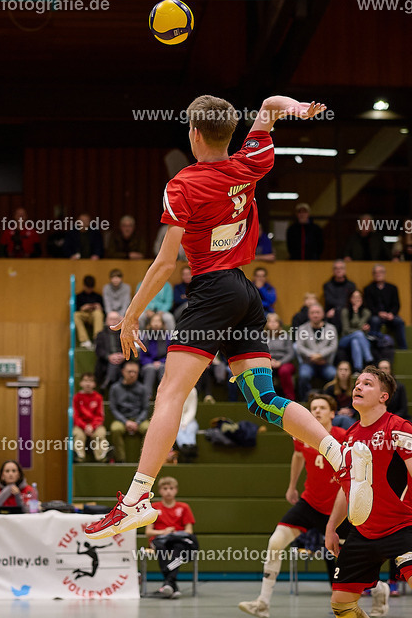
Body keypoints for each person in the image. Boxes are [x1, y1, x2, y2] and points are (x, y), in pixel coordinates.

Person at [84, 94, 348, 541]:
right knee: (263, 399)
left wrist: (131, 316)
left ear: (194, 134)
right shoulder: (250, 162)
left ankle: (136, 500)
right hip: (245, 293)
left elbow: (166, 263)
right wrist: (299, 108)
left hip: (212, 290)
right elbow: (269, 106)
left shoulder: (183, 184)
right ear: (227, 133)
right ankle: (337, 451)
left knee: (170, 393)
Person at [324, 367, 412, 618]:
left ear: (383, 396)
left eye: (367, 383)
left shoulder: (399, 428)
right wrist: (331, 527)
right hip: (363, 532)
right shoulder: (350, 436)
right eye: (357, 383)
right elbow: (347, 487)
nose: (358, 387)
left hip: (402, 526)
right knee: (342, 607)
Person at [239, 394, 347, 618]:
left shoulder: (343, 437)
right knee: (275, 542)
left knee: (353, 559)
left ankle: (380, 590)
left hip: (338, 509)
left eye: (322, 408)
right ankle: (263, 603)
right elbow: (298, 456)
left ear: (332, 413)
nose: (317, 411)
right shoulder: (302, 433)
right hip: (310, 503)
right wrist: (291, 486)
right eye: (313, 407)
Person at [145, 477, 199, 598]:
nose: (168, 491)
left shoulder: (184, 507)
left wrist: (174, 533)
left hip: (177, 540)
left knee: (179, 549)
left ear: (176, 490)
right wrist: (164, 532)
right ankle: (172, 584)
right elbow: (148, 532)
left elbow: (189, 531)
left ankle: (168, 584)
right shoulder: (153, 507)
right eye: (165, 488)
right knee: (161, 549)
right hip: (159, 540)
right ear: (160, 490)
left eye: (171, 488)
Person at [108, 361, 151, 463]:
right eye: (129, 371)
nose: (132, 374)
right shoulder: (115, 388)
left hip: (139, 419)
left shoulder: (142, 389)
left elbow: (145, 409)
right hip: (122, 419)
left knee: (149, 429)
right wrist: (125, 422)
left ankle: (145, 461)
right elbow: (113, 408)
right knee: (115, 429)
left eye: (135, 372)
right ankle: (120, 460)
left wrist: (138, 422)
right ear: (123, 371)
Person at [294, 304, 339, 399]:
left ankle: (330, 400)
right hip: (308, 363)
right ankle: (305, 401)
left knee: (334, 375)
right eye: (312, 313)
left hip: (325, 363)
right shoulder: (302, 328)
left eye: (318, 312)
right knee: (304, 375)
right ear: (308, 315)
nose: (315, 315)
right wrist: (313, 356)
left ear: (323, 314)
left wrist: (320, 355)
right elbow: (300, 346)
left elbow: (333, 346)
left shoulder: (331, 328)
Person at [363, 264, 406, 349]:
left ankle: (403, 348)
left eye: (380, 272)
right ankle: (374, 349)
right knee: (374, 320)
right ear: (373, 275)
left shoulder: (392, 288)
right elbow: (368, 306)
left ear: (384, 273)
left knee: (399, 321)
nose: (378, 274)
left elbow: (396, 304)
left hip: (390, 315)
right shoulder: (368, 289)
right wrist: (379, 313)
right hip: (376, 315)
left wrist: (391, 313)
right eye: (375, 272)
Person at [73, 373, 108, 463]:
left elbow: (99, 416)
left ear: (94, 384)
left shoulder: (98, 397)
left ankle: (101, 457)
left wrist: (92, 426)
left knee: (100, 434)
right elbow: (76, 416)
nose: (88, 384)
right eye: (85, 381)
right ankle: (79, 456)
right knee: (78, 434)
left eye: (90, 381)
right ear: (81, 383)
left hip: (95, 425)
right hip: (81, 425)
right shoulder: (77, 397)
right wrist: (85, 426)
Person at [339, 290, 374, 372]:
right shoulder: (345, 311)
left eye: (358, 297)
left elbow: (360, 325)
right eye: (354, 297)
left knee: (355, 342)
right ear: (350, 299)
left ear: (362, 299)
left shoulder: (366, 312)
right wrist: (354, 313)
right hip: (345, 339)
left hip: (361, 339)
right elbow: (346, 330)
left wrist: (357, 311)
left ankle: (358, 368)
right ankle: (369, 359)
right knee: (358, 334)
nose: (356, 299)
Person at [266, 313, 297, 400]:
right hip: (268, 362)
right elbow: (261, 352)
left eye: (275, 321)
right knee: (264, 371)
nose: (272, 323)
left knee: (284, 371)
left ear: (279, 323)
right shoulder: (262, 337)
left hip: (284, 362)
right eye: (270, 321)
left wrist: (280, 362)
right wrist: (269, 361)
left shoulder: (285, 336)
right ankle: (267, 399)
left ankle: (290, 399)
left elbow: (290, 353)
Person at [323, 361, 360, 429]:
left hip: (351, 417)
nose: (343, 372)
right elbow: (327, 406)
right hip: (334, 417)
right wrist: (338, 412)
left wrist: (351, 411)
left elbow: (359, 405)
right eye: (341, 370)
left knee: (346, 420)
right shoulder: (329, 388)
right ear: (337, 372)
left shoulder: (355, 388)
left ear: (350, 372)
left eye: (346, 370)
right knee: (344, 419)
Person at [139, 314, 169, 396]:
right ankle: (146, 396)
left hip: (163, 363)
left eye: (158, 321)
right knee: (150, 369)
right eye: (154, 321)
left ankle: (164, 395)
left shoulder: (168, 337)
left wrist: (161, 362)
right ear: (149, 324)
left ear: (162, 324)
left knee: (163, 368)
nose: (156, 324)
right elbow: (142, 356)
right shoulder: (145, 337)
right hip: (148, 364)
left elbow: (170, 355)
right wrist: (151, 362)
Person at [95, 311, 125, 391]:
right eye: (111, 319)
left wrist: (124, 355)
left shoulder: (125, 333)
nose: (114, 321)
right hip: (106, 362)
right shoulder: (100, 334)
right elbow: (98, 350)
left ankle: (107, 382)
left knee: (115, 364)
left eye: (116, 319)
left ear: (120, 321)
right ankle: (114, 386)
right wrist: (109, 356)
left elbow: (131, 348)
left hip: (123, 361)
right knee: (114, 364)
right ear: (106, 321)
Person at [74, 275, 105, 350]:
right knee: (75, 315)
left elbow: (104, 311)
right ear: (84, 286)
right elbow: (75, 309)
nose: (89, 290)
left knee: (98, 313)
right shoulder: (78, 296)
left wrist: (99, 308)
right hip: (83, 315)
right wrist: (82, 308)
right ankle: (85, 340)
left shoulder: (98, 297)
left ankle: (97, 339)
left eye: (91, 288)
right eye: (88, 287)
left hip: (94, 316)